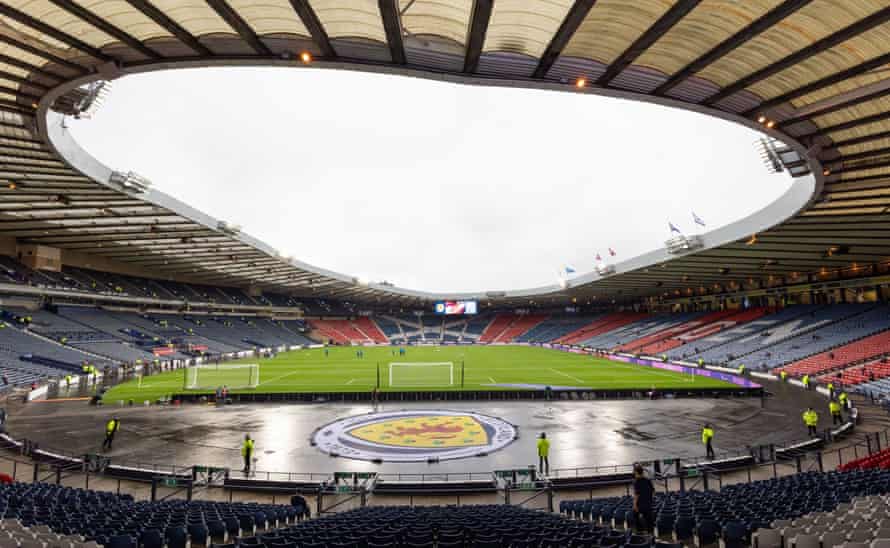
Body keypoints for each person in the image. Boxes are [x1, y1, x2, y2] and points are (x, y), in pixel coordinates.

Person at [632, 464, 655, 533]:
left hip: (640, 504)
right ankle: (651, 534)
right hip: (648, 503)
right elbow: (653, 491)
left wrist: (635, 505)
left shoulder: (636, 482)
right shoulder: (648, 480)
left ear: (636, 472)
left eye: (634, 472)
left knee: (635, 515)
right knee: (649, 519)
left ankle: (640, 531)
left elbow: (636, 495)